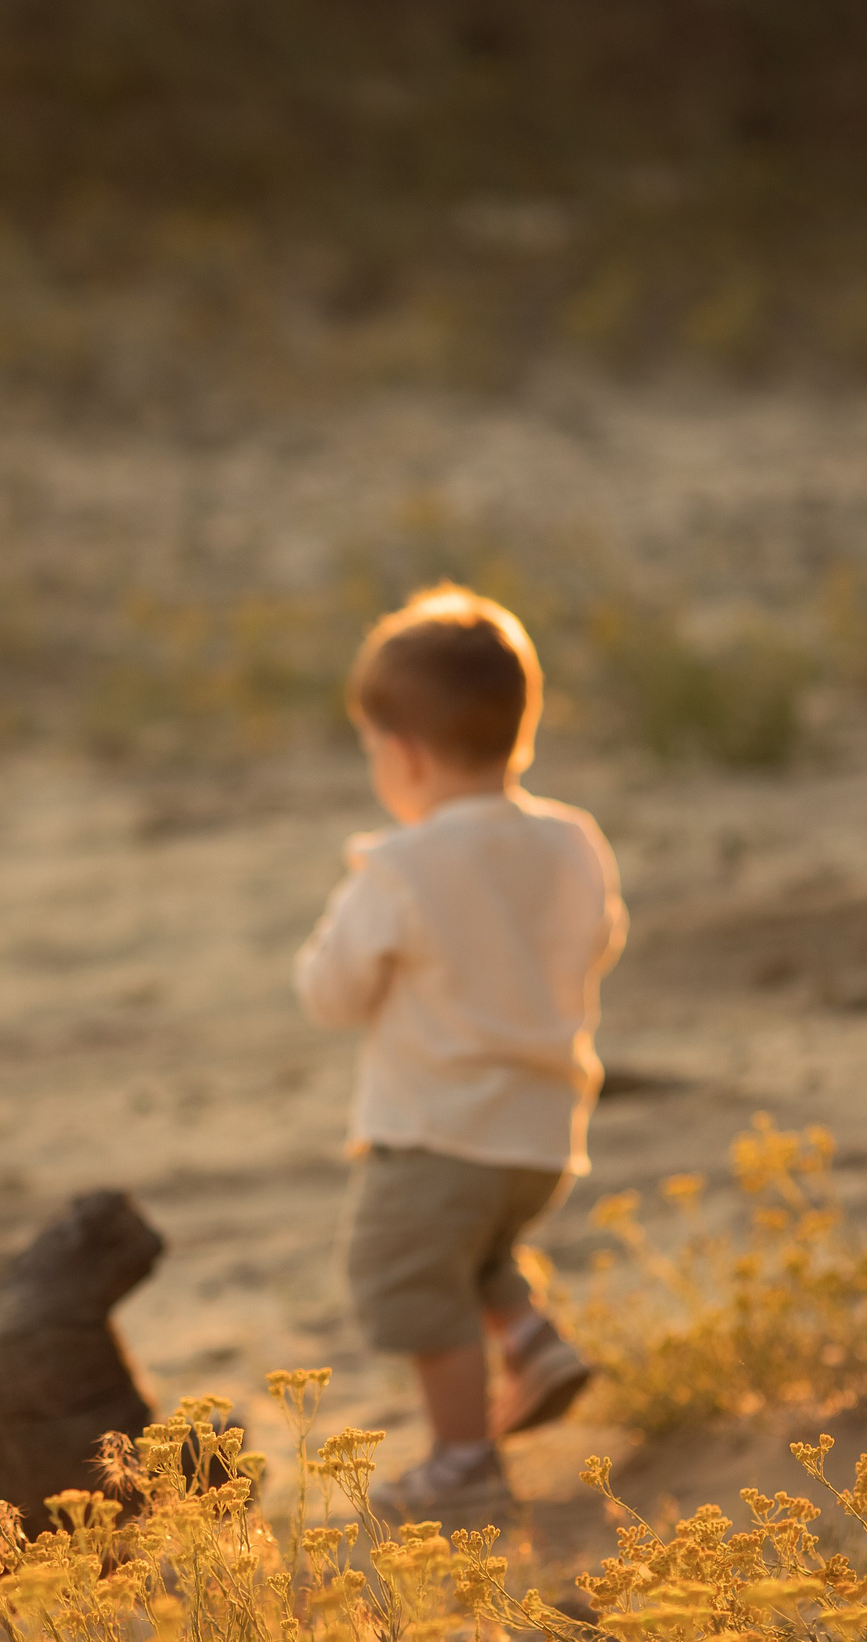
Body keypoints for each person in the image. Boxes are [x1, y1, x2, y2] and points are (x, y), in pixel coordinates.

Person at [293, 583, 625, 1518]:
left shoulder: (400, 865)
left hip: (437, 1132)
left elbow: (330, 994)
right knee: (470, 1250)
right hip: (545, 1133)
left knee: (402, 1270)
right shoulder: (573, 839)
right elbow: (602, 938)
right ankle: (529, 1341)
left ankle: (464, 1458)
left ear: (403, 753)